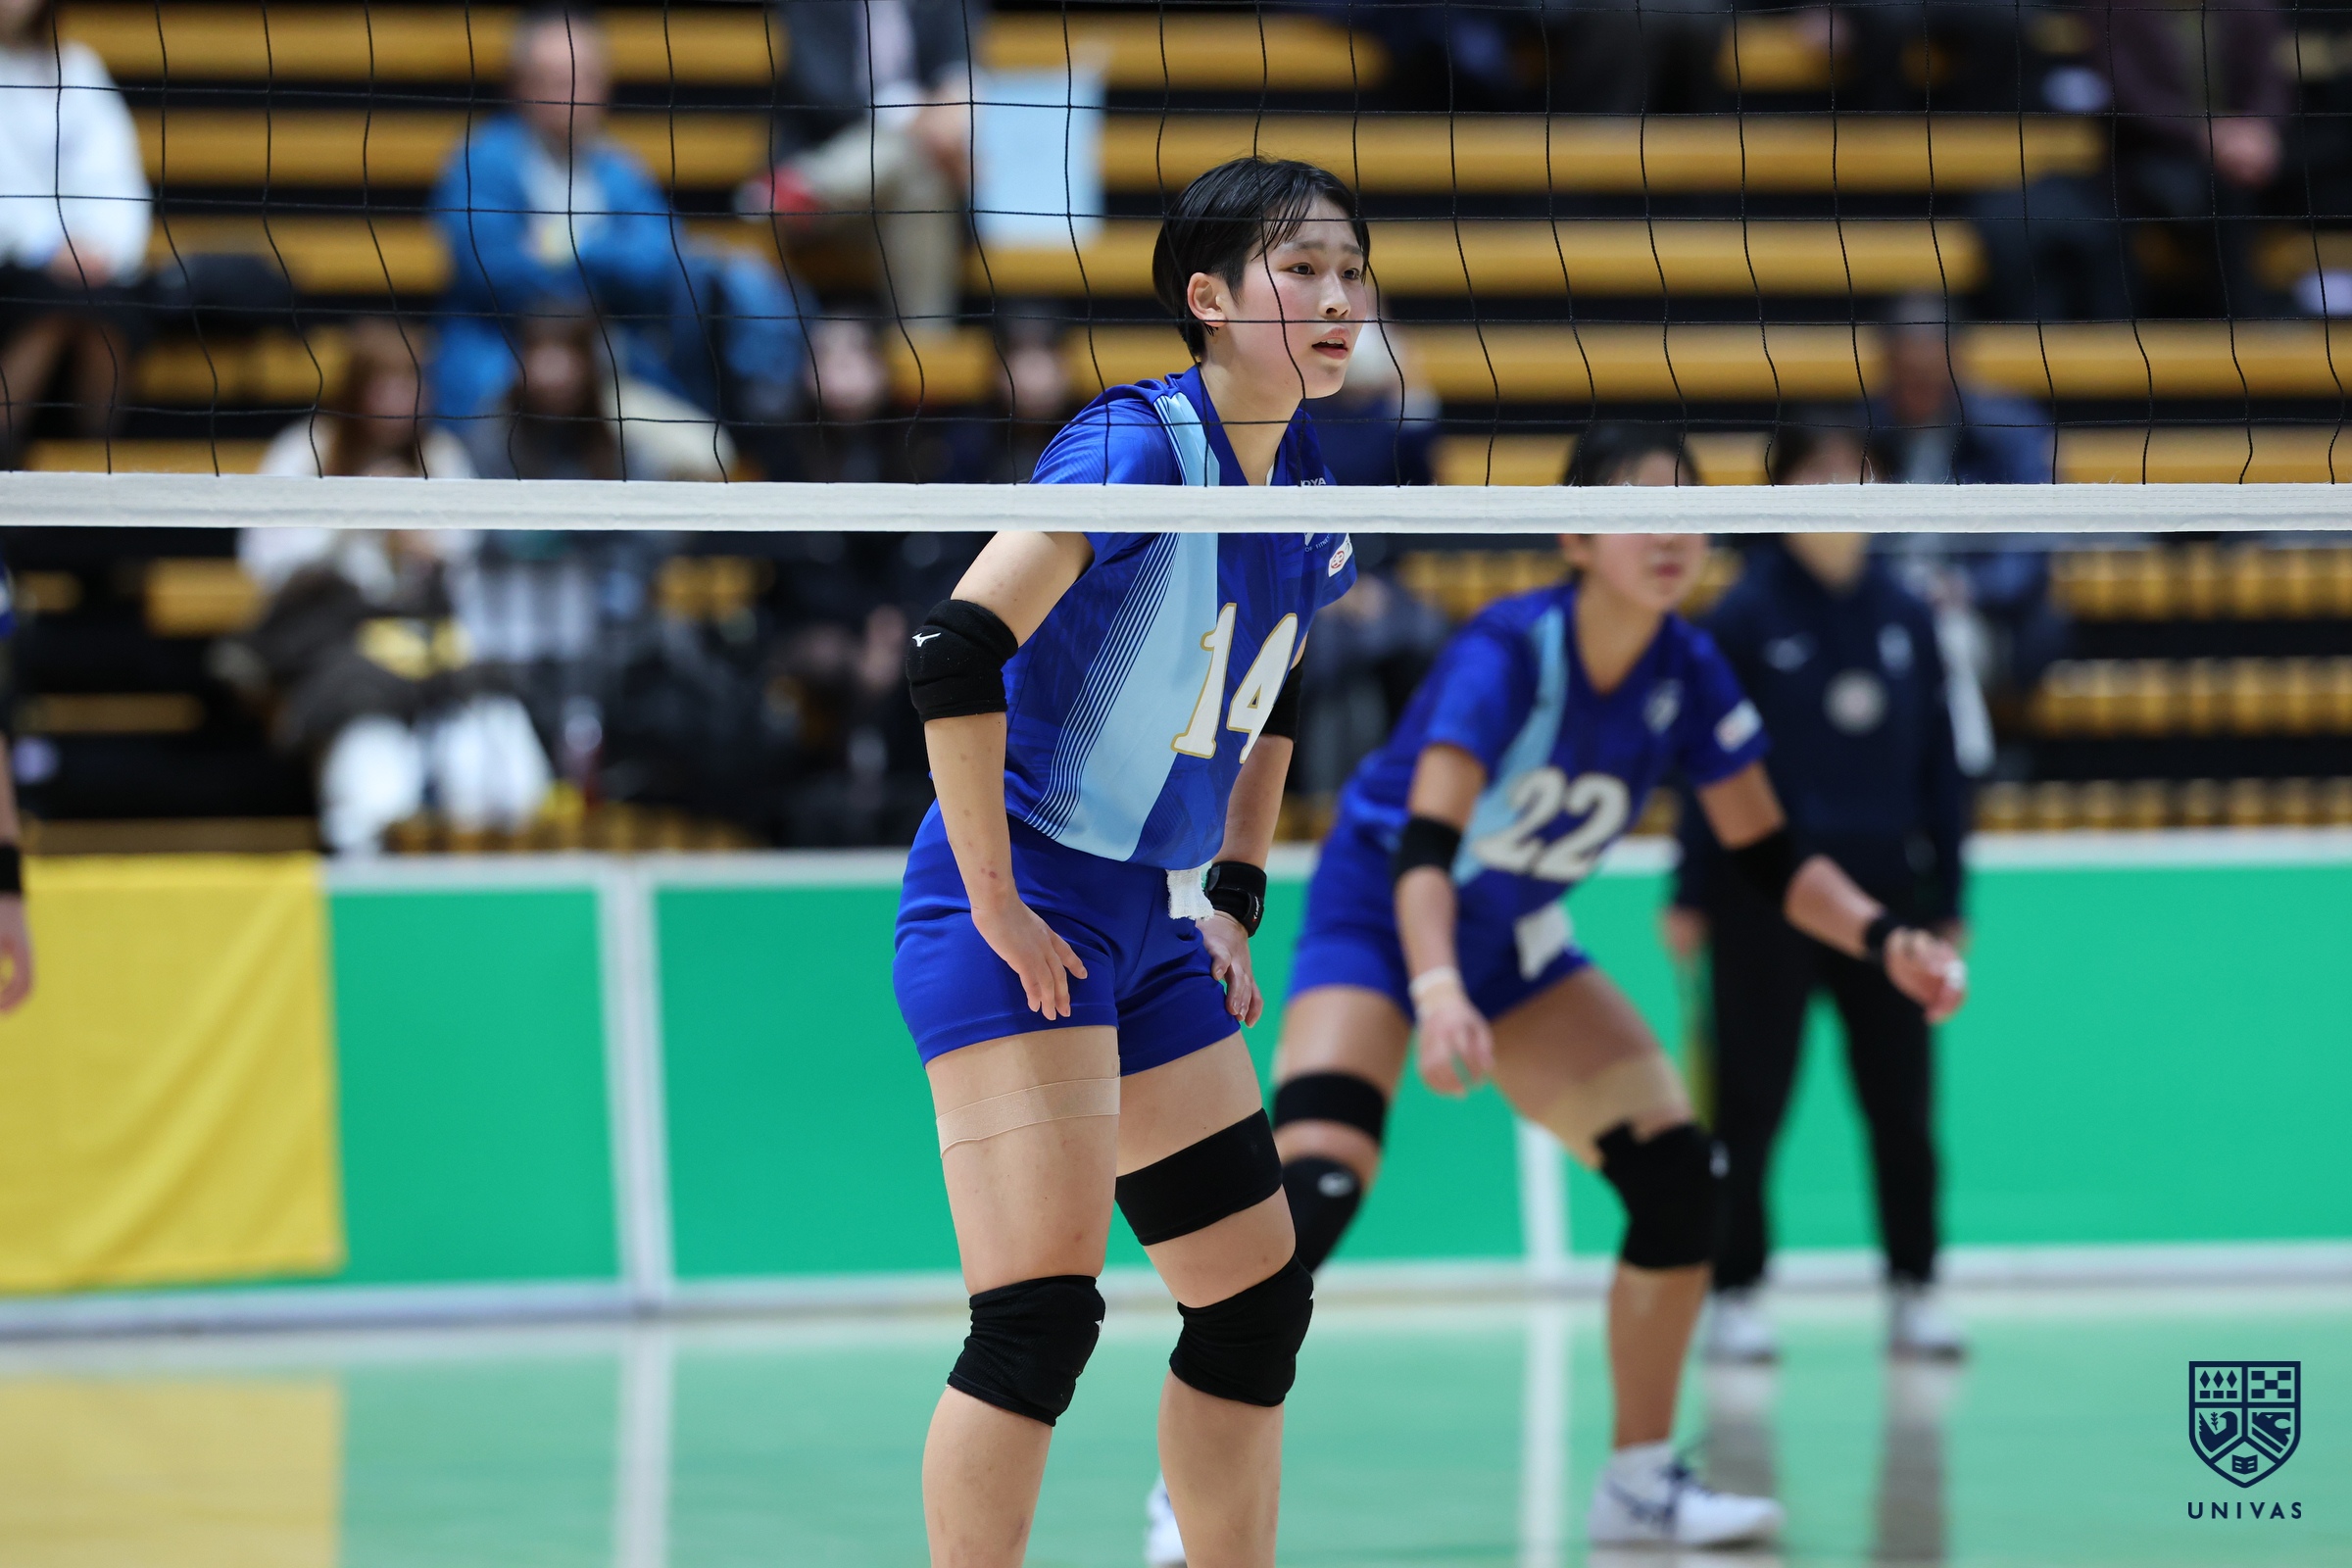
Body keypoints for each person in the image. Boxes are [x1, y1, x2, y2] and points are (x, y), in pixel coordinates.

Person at [1247, 423, 1967, 1551]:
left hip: (1512, 942)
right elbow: (1424, 850)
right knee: (1317, 1189)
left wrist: (1886, 939)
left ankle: (1638, 1483)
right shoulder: (1506, 651)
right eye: (1640, 512)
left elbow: (1774, 860)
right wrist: (1436, 987)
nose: (1670, 536)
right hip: (1381, 924)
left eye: (1687, 514)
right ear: (1577, 537)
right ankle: (1194, 1484)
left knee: (1684, 1183)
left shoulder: (1690, 669)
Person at [892, 156, 1365, 1568]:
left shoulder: (1309, 485)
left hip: (1149, 920)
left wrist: (1231, 892)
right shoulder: (1137, 451)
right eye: (1301, 270)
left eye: (1351, 272)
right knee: (1036, 1321)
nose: (1337, 300)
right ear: (1208, 299)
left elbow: (1276, 685)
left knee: (1255, 1300)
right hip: (1019, 901)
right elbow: (953, 649)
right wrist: (995, 904)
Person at [1670, 422, 1971, 1366]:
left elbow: (1944, 765)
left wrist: (1950, 893)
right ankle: (1737, 1293)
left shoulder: (1908, 613)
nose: (1842, 488)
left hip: (1886, 898)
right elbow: (1706, 768)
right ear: (1784, 493)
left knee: (1901, 1106)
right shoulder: (1745, 615)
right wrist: (1690, 888)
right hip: (1763, 897)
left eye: (1858, 472)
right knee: (1750, 1102)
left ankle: (1915, 1286)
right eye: (1821, 472)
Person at [430, 6, 804, 445]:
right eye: (553, 78)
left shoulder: (619, 168)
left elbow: (659, 261)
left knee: (703, 452)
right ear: (519, 85)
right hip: (503, 366)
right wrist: (605, 263)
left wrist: (563, 245)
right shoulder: (481, 163)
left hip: (612, 373)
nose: (571, 91)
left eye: (585, 76)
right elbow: (493, 272)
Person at [747, 0, 983, 334]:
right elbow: (824, 93)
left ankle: (813, 185)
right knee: (917, 160)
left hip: (892, 196)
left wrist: (945, 116)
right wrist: (912, 118)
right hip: (828, 209)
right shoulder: (811, 6)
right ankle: (926, 348)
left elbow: (958, 70)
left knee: (920, 176)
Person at [0, 0, 149, 466]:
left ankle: (94, 470)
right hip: (14, 263)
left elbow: (114, 175)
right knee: (46, 307)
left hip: (89, 262)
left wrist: (103, 248)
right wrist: (46, 248)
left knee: (105, 308)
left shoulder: (77, 67)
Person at [2088, 0, 2289, 317]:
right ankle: (2243, 316)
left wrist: (2259, 130)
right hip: (2152, 155)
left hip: (2245, 149)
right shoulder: (2116, 8)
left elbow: (2270, 79)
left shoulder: (2251, 7)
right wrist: (2205, 134)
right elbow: (2129, 95)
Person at [462, 311, 733, 481]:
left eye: (565, 356)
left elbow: (712, 452)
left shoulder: (619, 420)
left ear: (590, 366)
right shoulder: (494, 429)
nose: (553, 374)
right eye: (542, 355)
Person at [259, 318, 475, 480]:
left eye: (411, 384)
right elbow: (267, 525)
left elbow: (464, 527)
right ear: (356, 389)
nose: (399, 401)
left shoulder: (441, 453)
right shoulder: (307, 446)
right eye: (384, 387)